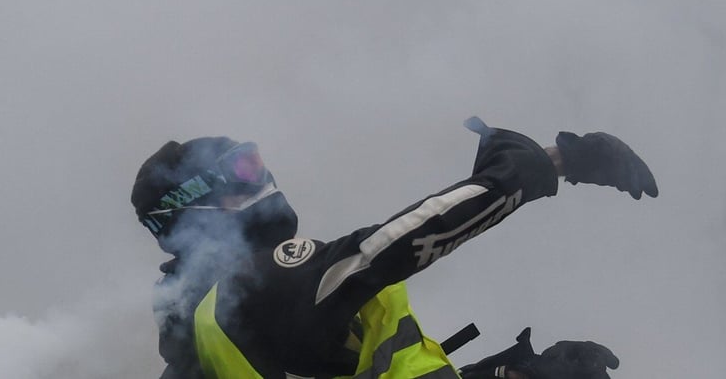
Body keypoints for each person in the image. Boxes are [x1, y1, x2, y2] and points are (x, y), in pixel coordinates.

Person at [131, 118, 657, 378]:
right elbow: (388, 249)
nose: (263, 179)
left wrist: (506, 375)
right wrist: (543, 165)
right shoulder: (247, 290)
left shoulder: (196, 341)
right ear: (194, 206)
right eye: (242, 172)